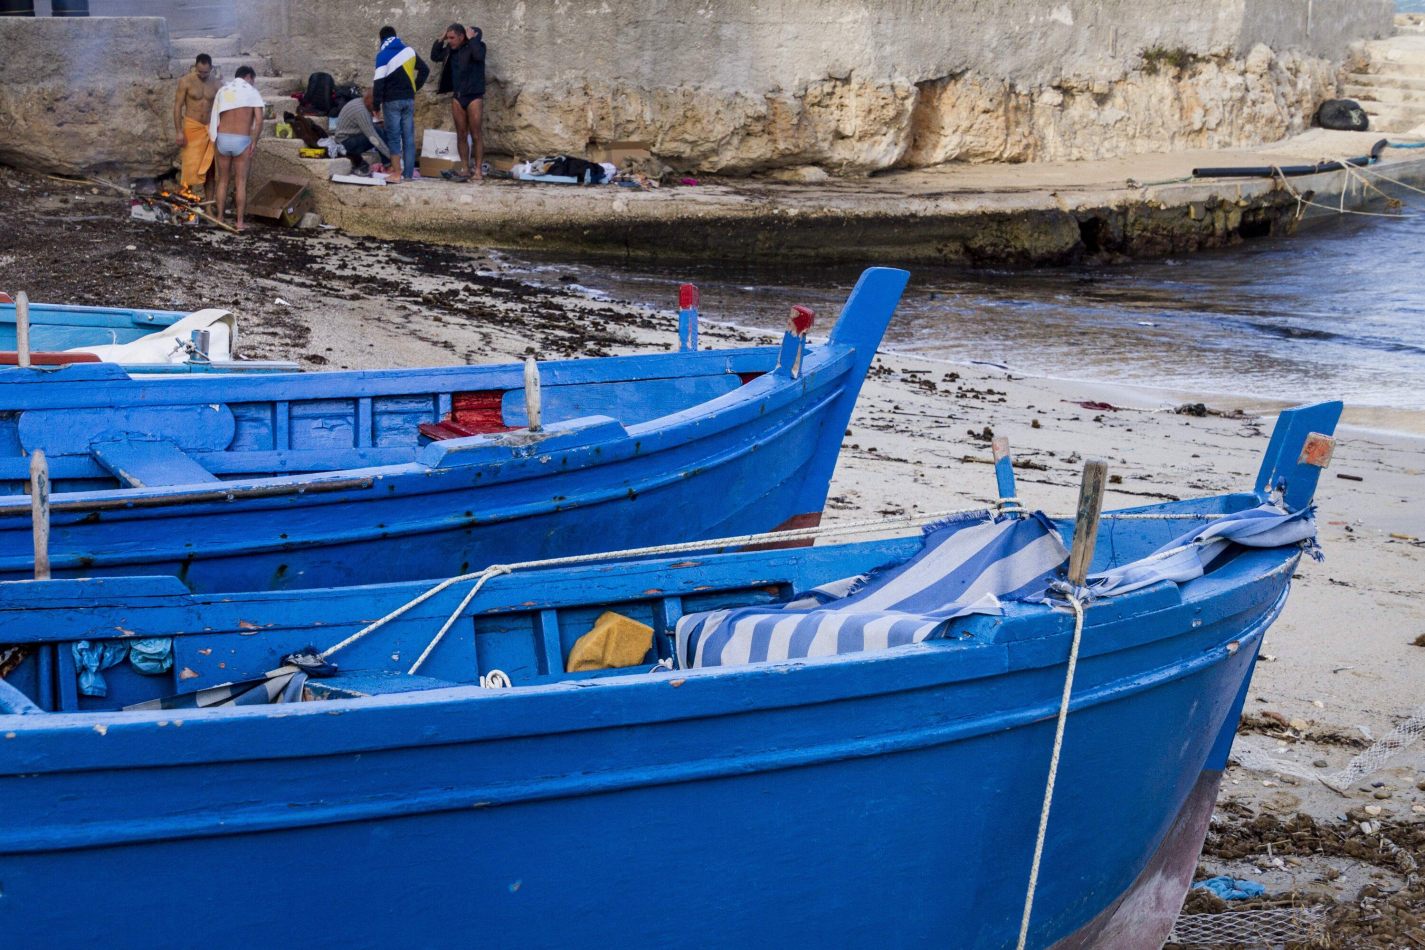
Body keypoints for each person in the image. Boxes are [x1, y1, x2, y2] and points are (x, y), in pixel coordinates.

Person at [209, 65, 265, 231]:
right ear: (249, 77)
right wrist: (254, 141)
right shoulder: (252, 92)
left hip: (223, 139)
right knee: (241, 182)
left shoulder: (223, 90)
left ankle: (220, 217)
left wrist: (215, 140)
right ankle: (239, 222)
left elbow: (215, 117)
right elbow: (260, 120)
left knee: (223, 180)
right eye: (253, 80)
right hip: (242, 140)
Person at [430, 22, 486, 181]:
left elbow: (479, 56)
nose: (450, 41)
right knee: (461, 134)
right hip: (458, 96)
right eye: (448, 38)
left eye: (452, 38)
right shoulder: (449, 49)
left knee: (476, 134)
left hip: (474, 96)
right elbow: (435, 56)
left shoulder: (478, 46)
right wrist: (441, 38)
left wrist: (472, 40)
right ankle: (465, 168)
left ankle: (478, 170)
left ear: (462, 37)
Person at [373, 25, 428, 182]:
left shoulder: (382, 55)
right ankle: (408, 175)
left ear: (381, 39)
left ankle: (397, 173)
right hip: (408, 100)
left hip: (391, 102)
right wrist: (414, 89)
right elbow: (425, 70)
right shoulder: (409, 51)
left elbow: (378, 83)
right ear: (395, 36)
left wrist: (376, 106)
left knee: (394, 138)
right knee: (409, 137)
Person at [173, 52, 220, 197]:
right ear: (195, 67)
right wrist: (179, 131)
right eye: (199, 71)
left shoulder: (217, 83)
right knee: (190, 168)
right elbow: (177, 106)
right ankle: (188, 205)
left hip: (209, 128)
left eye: (206, 72)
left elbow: (222, 107)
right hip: (192, 127)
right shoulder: (186, 81)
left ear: (211, 68)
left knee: (210, 170)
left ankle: (208, 207)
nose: (202, 75)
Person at [334, 89, 395, 178]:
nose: (375, 107)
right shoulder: (361, 111)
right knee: (377, 133)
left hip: (349, 138)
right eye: (373, 104)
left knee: (379, 129)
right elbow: (374, 138)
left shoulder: (359, 102)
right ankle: (389, 164)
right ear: (368, 100)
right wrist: (392, 157)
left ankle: (389, 162)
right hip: (345, 143)